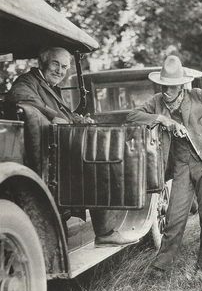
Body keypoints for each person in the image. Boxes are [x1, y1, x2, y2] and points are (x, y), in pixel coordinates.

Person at [7, 46, 137, 247]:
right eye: (55, 64)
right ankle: (105, 232)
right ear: (42, 62)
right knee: (97, 160)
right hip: (43, 151)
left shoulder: (48, 85)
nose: (60, 70)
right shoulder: (26, 82)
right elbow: (20, 99)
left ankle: (103, 225)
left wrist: (77, 120)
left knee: (100, 150)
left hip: (54, 145)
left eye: (65, 67)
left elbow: (58, 114)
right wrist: (57, 118)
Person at [127, 55, 202, 273]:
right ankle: (161, 266)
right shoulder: (157, 101)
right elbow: (132, 116)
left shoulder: (197, 95)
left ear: (182, 84)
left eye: (173, 86)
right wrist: (162, 120)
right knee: (174, 217)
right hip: (180, 166)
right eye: (164, 85)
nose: (168, 90)